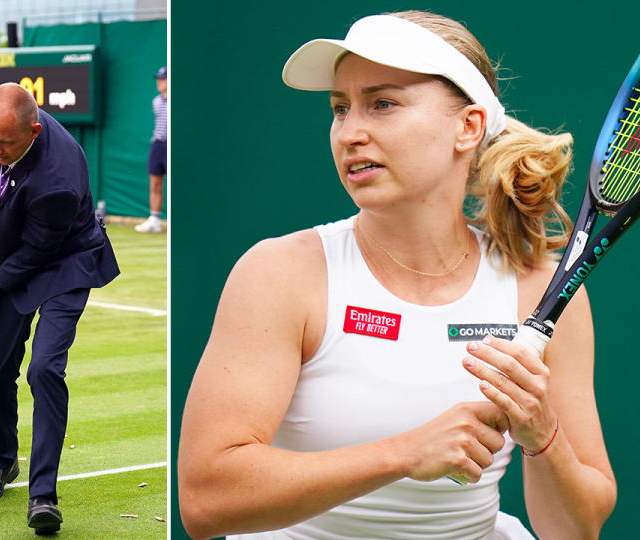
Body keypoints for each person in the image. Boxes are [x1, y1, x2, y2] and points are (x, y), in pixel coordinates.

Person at [177, 11, 616, 540]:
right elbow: (205, 499)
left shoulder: (539, 290)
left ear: (468, 126)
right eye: (340, 109)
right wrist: (403, 453)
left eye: (383, 104)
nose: (350, 133)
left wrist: (542, 436)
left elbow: (577, 531)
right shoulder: (280, 273)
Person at [0, 83, 119, 534]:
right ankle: (2, 460)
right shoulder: (6, 130)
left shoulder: (59, 181)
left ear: (34, 130)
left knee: (44, 369)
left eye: (3, 143)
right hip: (19, 250)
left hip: (66, 265)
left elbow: (36, 253)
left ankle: (43, 494)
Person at [135, 66, 168, 233]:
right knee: (155, 182)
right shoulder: (156, 101)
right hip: (157, 144)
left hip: (171, 145)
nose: (159, 82)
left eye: (163, 79)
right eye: (159, 79)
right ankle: (154, 219)